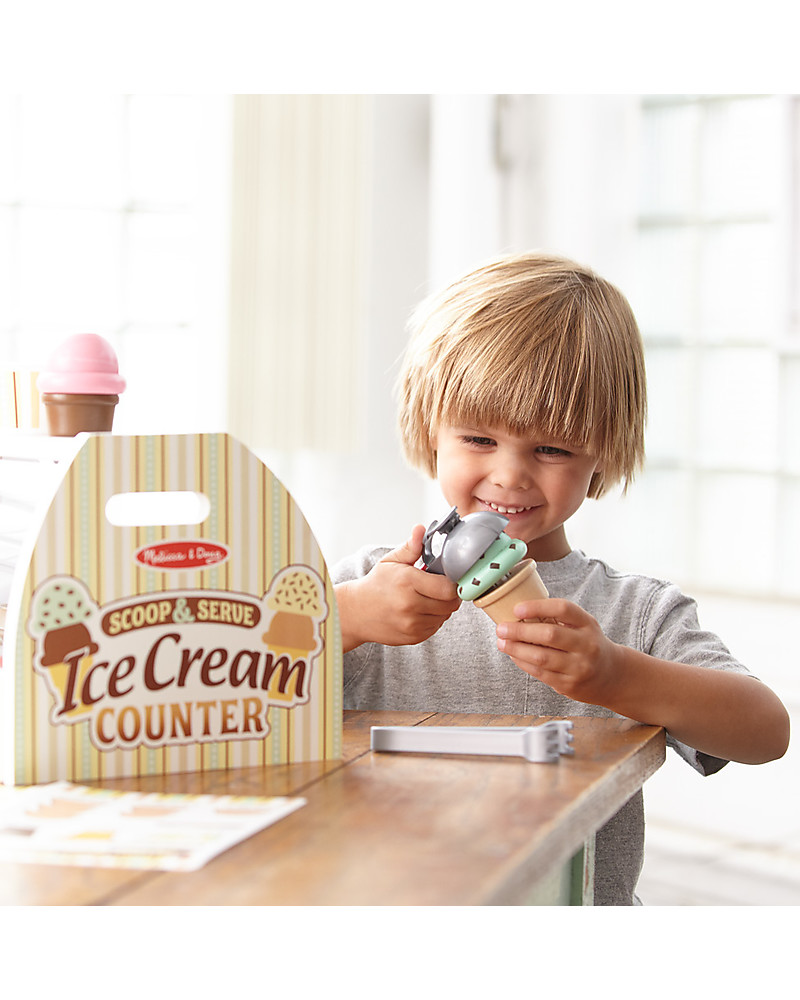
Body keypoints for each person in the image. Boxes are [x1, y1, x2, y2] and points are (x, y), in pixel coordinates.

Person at [332, 251, 790, 905]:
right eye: (479, 440)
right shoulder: (366, 586)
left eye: (551, 448)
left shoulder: (632, 613)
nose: (511, 475)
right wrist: (344, 619)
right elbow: (239, 685)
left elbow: (765, 731)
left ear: (602, 450)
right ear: (430, 430)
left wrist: (615, 675)